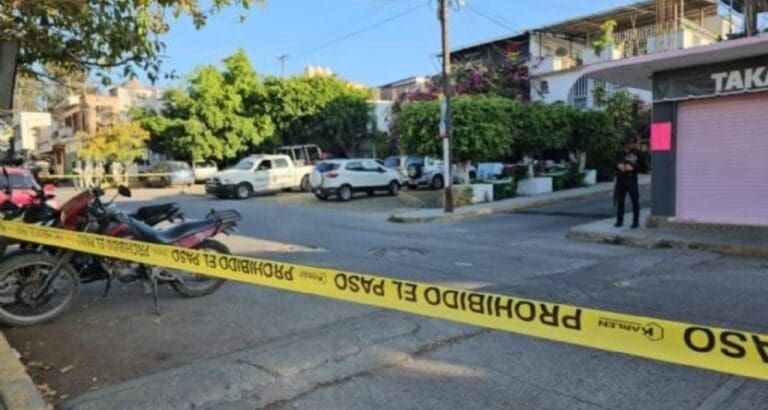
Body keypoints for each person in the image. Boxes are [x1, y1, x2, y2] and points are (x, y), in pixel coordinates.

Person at [614, 139, 645, 229]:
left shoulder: (637, 153)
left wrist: (633, 168)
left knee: (635, 201)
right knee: (620, 201)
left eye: (632, 143)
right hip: (621, 179)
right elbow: (614, 164)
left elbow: (644, 167)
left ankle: (635, 221)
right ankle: (619, 221)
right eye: (629, 143)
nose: (630, 145)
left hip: (631, 179)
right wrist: (618, 166)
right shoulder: (620, 153)